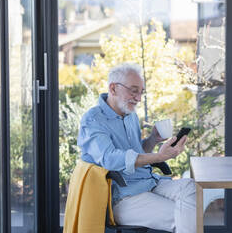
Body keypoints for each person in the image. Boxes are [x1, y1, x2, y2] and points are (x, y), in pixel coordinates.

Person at [77, 63, 196, 233]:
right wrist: (159, 157)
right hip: (123, 196)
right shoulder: (93, 120)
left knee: (191, 188)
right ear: (113, 88)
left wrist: (153, 139)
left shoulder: (130, 115)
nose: (139, 98)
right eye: (133, 90)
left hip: (148, 182)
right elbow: (110, 159)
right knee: (184, 215)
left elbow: (137, 152)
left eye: (141, 92)